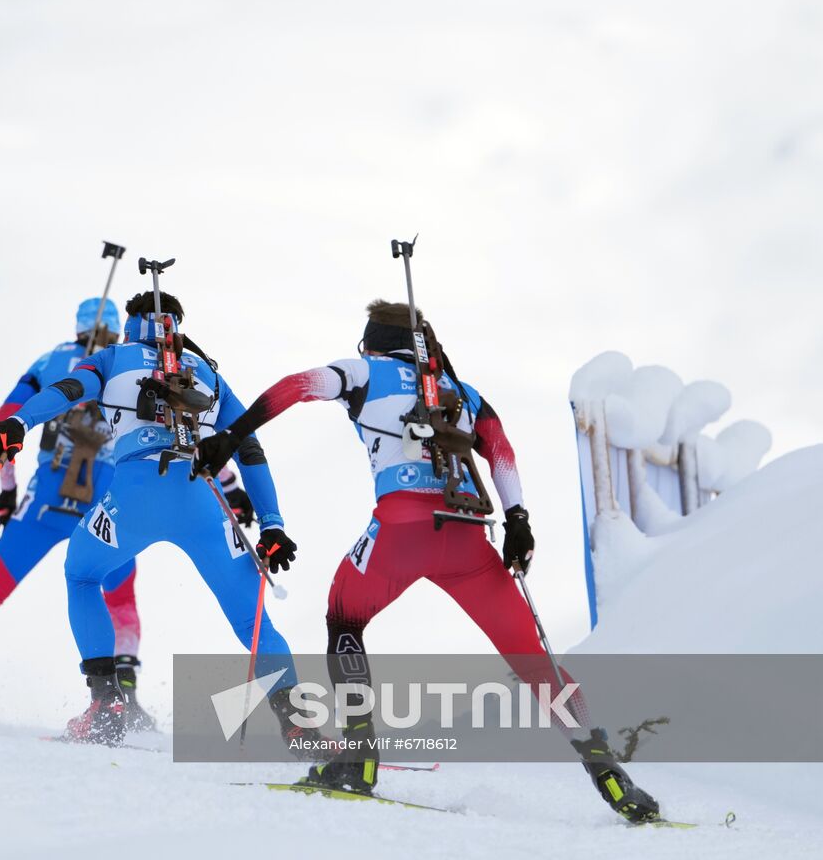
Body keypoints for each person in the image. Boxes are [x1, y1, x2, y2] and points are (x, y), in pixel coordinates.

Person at [193, 299, 661, 823]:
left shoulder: (363, 371)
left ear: (372, 341)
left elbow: (295, 387)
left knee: (344, 618)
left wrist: (232, 436)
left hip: (400, 530)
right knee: (535, 660)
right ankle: (612, 779)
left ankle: (358, 759)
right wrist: (519, 520)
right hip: (467, 538)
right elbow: (500, 449)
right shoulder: (460, 391)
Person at [0, 290, 304, 745]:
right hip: (202, 501)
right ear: (177, 324)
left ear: (131, 323)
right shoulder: (208, 371)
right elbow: (248, 447)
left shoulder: (113, 357)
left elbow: (69, 390)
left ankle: (106, 703)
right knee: (255, 622)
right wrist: (271, 523)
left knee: (82, 574)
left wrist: (21, 423)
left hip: (133, 496)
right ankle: (297, 722)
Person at [0, 298, 156, 727]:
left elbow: (6, 419)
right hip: (105, 511)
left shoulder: (54, 358)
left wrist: (7, 491)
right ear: (118, 331)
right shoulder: (129, 365)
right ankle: (124, 693)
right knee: (120, 599)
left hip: (44, 503)